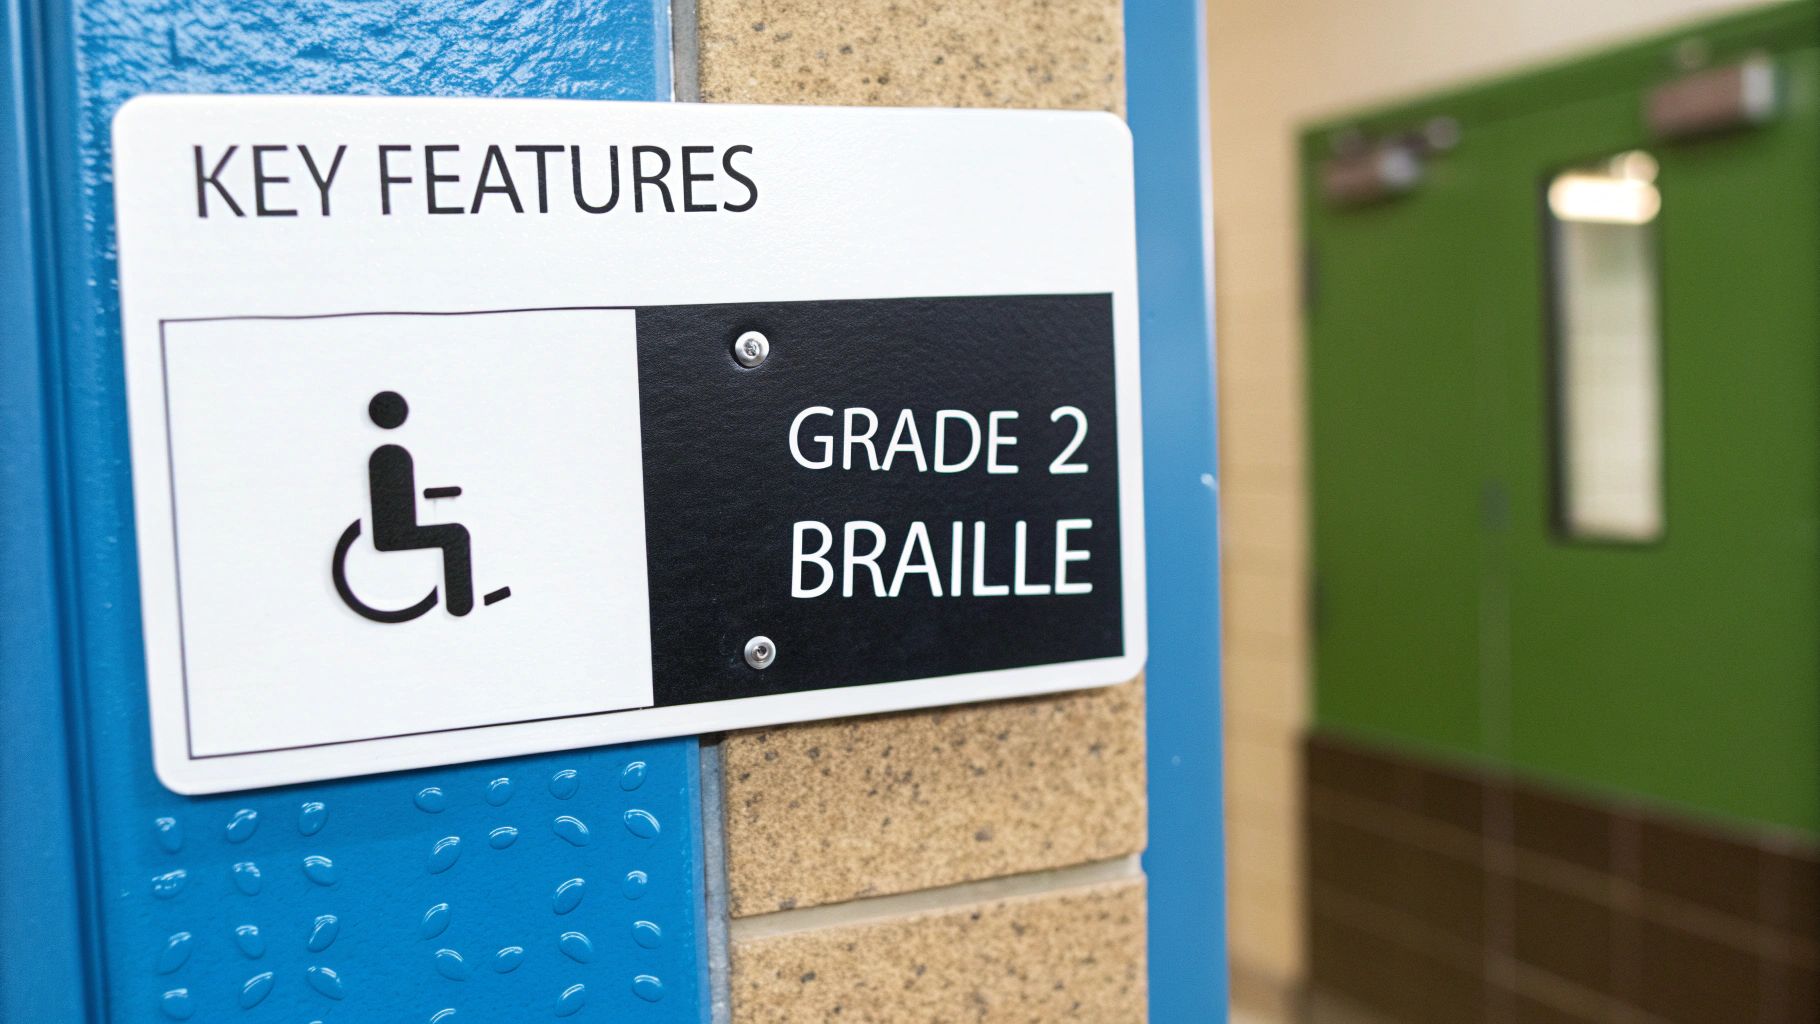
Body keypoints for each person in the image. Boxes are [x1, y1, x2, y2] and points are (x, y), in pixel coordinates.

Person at [364, 390, 474, 616]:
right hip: (395, 534)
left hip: (394, 531)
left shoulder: (389, 454)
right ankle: (459, 604)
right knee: (455, 535)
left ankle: (459, 604)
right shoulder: (392, 455)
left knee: (455, 535)